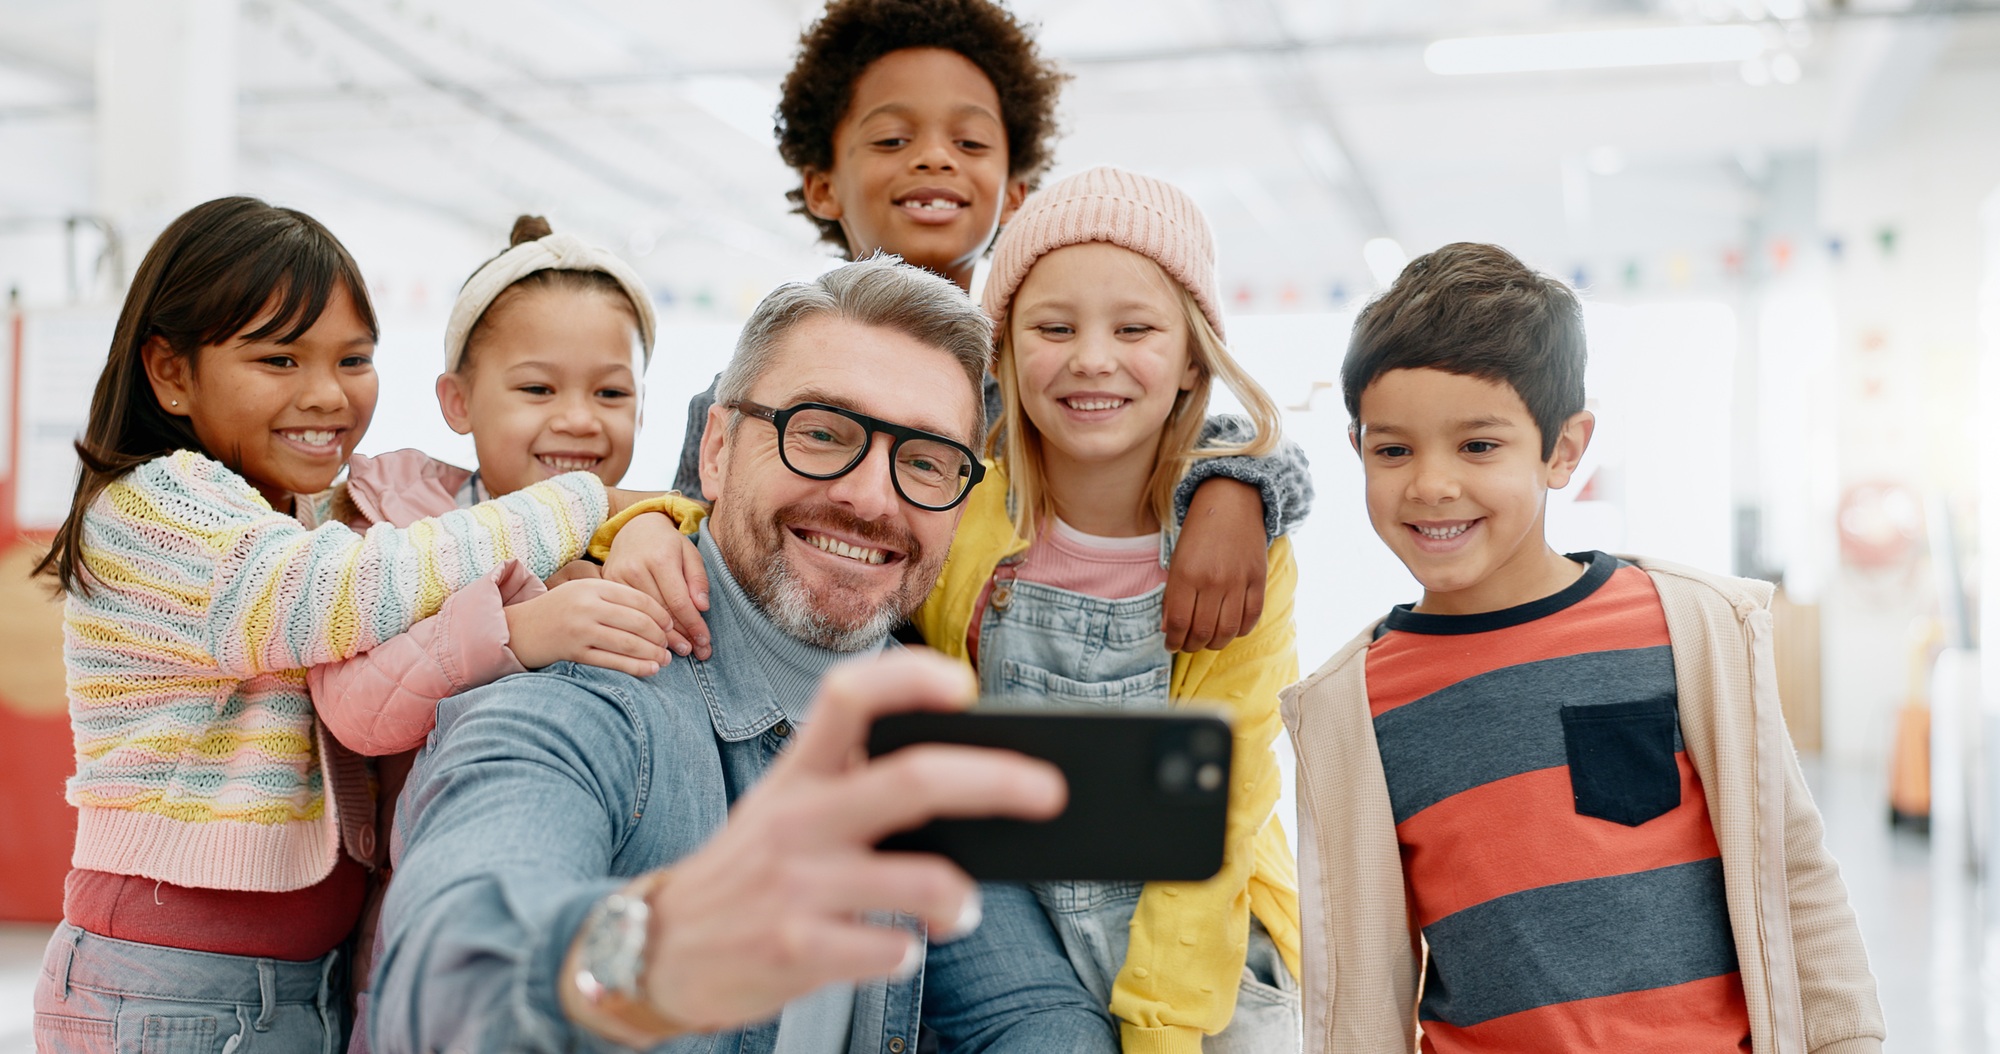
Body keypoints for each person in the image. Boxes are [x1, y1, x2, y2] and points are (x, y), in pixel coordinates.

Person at [369, 256, 1122, 1054]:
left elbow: (1030, 1012)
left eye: (925, 461)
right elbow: (446, 988)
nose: (872, 498)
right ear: (718, 451)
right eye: (822, 433)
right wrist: (646, 960)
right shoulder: (588, 691)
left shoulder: (919, 735)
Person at [29, 196, 661, 1050]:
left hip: (299, 981)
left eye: (354, 358)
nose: (327, 395)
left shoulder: (297, 511)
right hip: (171, 984)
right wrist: (591, 501)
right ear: (171, 372)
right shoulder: (155, 508)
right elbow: (344, 592)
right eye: (279, 358)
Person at [1281, 242, 1885, 1052]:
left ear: (1563, 449)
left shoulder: (1691, 628)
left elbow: (1794, 871)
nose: (1431, 485)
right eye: (1394, 450)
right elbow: (1357, 983)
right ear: (1358, 448)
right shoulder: (1351, 706)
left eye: (1478, 446)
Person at [668, 0, 1313, 655]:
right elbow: (695, 535)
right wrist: (639, 529)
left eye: (970, 143)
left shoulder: (1031, 386)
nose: (934, 158)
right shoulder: (759, 391)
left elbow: (1203, 433)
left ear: (1014, 193)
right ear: (822, 185)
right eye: (892, 140)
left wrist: (1236, 489)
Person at [909, 166, 1301, 1053]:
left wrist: (1162, 1031)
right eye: (1054, 328)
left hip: (1209, 970)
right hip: (1018, 951)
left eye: (1134, 328)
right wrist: (647, 525)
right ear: (1003, 354)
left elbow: (1222, 815)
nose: (1092, 358)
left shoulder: (1250, 553)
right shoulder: (959, 512)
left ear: (1194, 356)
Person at [306, 214, 708, 1051]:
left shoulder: (646, 537)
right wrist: (521, 633)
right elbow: (357, 710)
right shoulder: (401, 527)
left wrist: (645, 524)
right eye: (537, 390)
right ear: (457, 401)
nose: (580, 421)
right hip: (425, 921)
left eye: (612, 393)